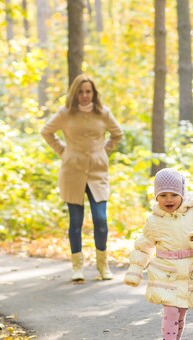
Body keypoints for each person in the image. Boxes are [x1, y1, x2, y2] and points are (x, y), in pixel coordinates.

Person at [124, 168, 193, 340]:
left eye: (174, 195)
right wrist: (136, 269)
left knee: (180, 312)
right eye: (163, 195)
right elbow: (144, 245)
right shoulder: (154, 220)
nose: (168, 199)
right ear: (156, 197)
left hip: (190, 271)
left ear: (182, 194)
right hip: (165, 271)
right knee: (171, 309)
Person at [40, 74, 124, 282]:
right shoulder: (65, 113)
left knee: (100, 219)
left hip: (97, 172)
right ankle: (77, 267)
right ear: (75, 93)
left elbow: (117, 134)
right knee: (75, 221)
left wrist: (105, 151)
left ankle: (102, 266)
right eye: (81, 91)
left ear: (94, 93)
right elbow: (46, 132)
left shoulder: (103, 113)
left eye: (88, 91)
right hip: (72, 171)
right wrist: (63, 151)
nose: (85, 96)